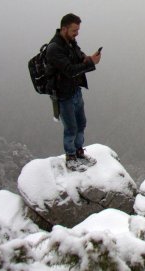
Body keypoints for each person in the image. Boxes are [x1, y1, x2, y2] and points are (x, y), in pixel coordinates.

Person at [46, 13, 101, 171]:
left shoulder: (70, 42)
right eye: (74, 30)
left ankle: (79, 152)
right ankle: (71, 157)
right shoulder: (54, 48)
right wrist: (91, 63)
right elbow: (69, 70)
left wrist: (88, 58)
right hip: (64, 95)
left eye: (78, 30)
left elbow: (78, 57)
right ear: (64, 28)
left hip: (75, 91)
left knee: (81, 124)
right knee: (71, 128)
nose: (77, 33)